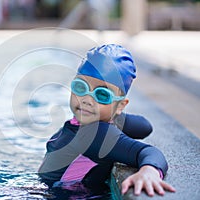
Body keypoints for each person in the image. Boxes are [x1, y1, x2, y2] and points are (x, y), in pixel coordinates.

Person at [38, 44, 176, 197]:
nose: (87, 100)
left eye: (102, 95)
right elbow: (144, 127)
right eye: (80, 87)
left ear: (121, 105)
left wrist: (150, 171)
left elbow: (148, 151)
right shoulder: (86, 124)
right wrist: (112, 114)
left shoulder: (98, 135)